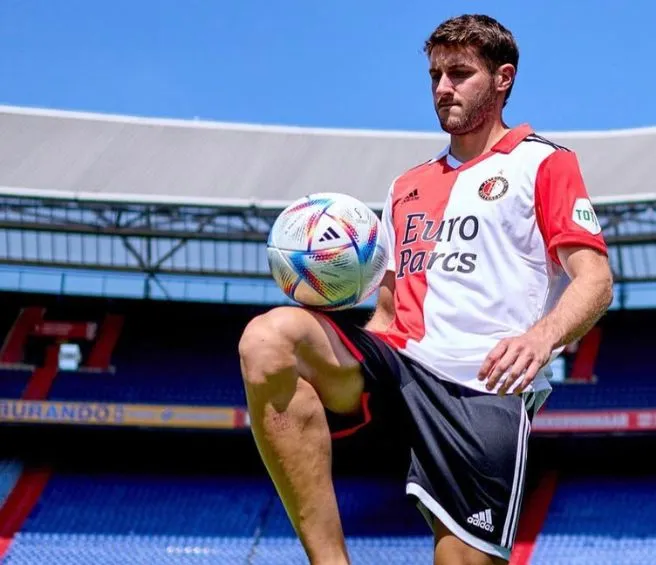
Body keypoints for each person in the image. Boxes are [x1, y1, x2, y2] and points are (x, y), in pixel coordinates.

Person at [239, 13, 614, 565]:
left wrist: (541, 339)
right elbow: (388, 310)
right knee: (268, 339)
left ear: (503, 78)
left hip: (482, 385)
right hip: (400, 365)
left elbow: (596, 281)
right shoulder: (405, 186)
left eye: (459, 73)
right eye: (435, 75)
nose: (442, 87)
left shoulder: (545, 163)